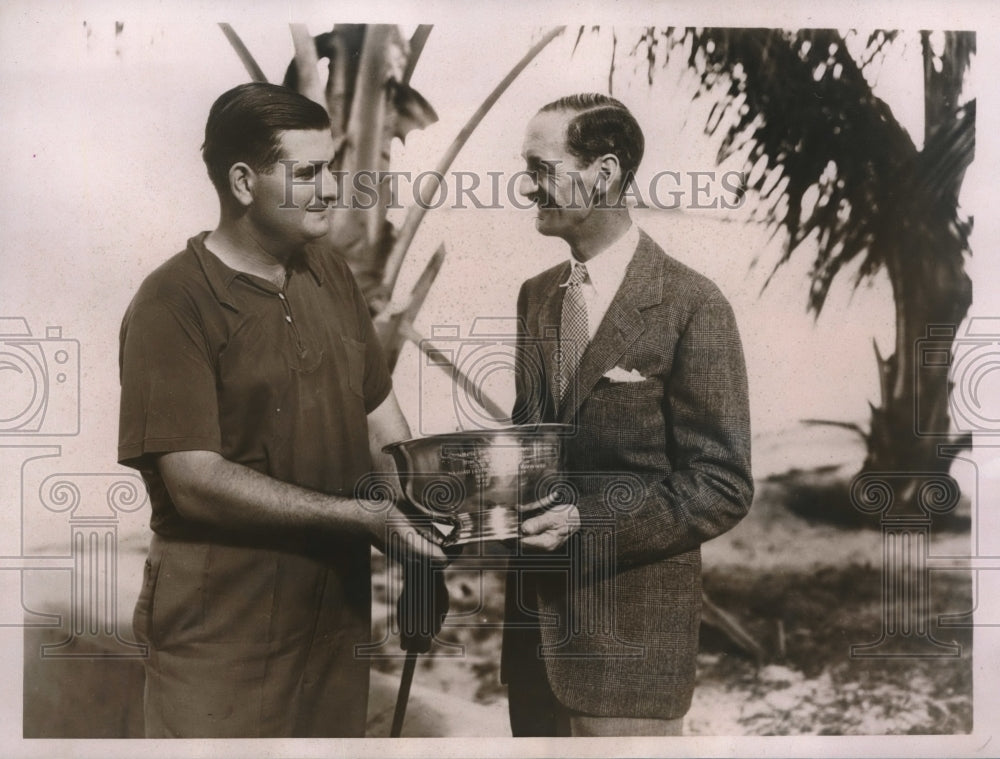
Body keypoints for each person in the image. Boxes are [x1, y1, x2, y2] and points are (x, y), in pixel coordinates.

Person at [117, 82, 446, 738]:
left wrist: (419, 527)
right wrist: (360, 515)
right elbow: (194, 482)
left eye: (331, 168)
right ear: (242, 182)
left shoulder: (328, 271)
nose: (331, 189)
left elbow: (378, 415)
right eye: (308, 174)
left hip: (333, 624)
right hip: (220, 636)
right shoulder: (172, 302)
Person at [502, 93, 754, 736]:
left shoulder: (693, 304)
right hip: (532, 642)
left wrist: (585, 521)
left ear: (604, 173)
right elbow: (532, 448)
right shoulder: (536, 298)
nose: (526, 185)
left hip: (629, 650)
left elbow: (721, 486)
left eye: (541, 167)